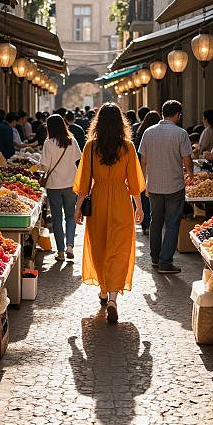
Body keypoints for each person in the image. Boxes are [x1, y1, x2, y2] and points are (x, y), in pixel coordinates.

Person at [74, 103, 145, 323]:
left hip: (98, 201)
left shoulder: (90, 147)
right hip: (122, 203)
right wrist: (139, 207)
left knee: (99, 247)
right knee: (119, 249)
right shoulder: (128, 147)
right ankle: (113, 298)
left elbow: (84, 182)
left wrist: (77, 208)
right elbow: (134, 182)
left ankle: (103, 291)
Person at [139, 100, 194, 274]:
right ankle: (165, 262)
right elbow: (187, 159)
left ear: (163, 113)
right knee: (172, 223)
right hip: (174, 185)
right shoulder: (181, 133)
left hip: (154, 185)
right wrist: (191, 175)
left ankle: (155, 258)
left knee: (156, 222)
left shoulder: (148, 132)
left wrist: (144, 182)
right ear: (178, 115)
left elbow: (144, 161)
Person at [41, 115, 82, 262]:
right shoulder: (72, 141)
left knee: (57, 219)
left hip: (54, 185)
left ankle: (60, 252)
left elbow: (45, 166)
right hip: (71, 184)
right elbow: (79, 160)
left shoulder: (48, 143)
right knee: (70, 216)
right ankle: (70, 245)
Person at [134, 110, 161, 236]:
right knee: (155, 197)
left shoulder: (141, 132)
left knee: (144, 196)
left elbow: (139, 153)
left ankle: (145, 224)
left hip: (142, 167)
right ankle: (154, 223)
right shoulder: (159, 133)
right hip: (156, 166)